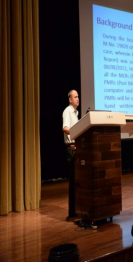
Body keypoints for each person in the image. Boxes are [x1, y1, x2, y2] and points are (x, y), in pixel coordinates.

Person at [62, 90, 79, 219]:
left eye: (78, 96)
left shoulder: (76, 113)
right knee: (73, 181)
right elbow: (65, 128)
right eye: (75, 97)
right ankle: (72, 213)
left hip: (76, 148)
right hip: (71, 149)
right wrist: (76, 133)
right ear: (70, 99)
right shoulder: (68, 111)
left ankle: (76, 210)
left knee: (77, 181)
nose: (78, 99)